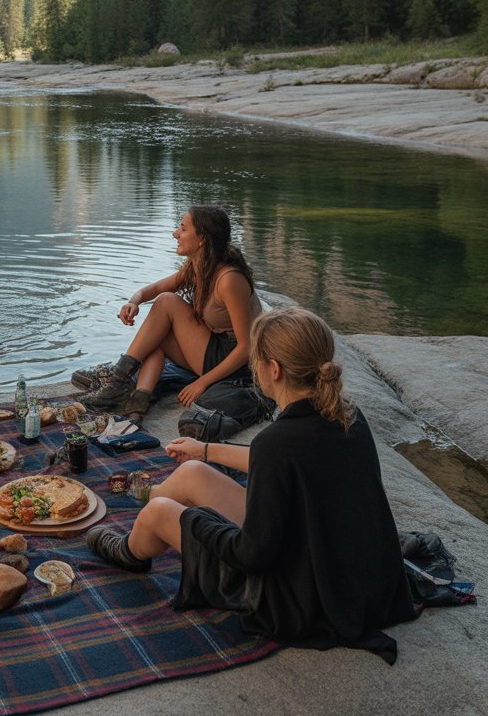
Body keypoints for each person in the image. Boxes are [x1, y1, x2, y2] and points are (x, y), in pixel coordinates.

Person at [87, 306, 418, 663]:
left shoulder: (278, 442)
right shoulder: (346, 416)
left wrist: (198, 523)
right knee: (193, 473)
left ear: (273, 370)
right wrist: (207, 450)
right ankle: (144, 515)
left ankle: (131, 550)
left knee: (161, 512)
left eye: (256, 360)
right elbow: (284, 463)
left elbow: (252, 554)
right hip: (336, 560)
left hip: (300, 593)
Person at [78, 205, 263, 424]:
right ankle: (138, 402)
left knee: (167, 302)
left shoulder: (229, 280)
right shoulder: (199, 266)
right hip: (213, 350)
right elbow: (153, 289)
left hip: (234, 362)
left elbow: (247, 347)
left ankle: (116, 384)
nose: (175, 233)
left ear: (202, 239)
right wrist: (133, 301)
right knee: (157, 335)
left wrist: (202, 383)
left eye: (183, 229)